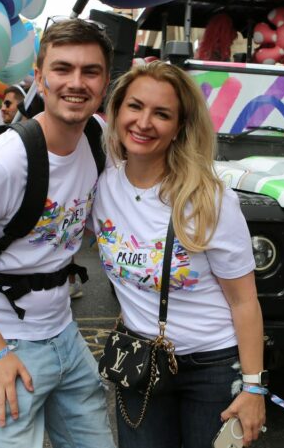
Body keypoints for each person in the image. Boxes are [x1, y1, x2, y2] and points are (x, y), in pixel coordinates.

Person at [0, 18, 114, 447]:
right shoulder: (5, 163)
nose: (76, 83)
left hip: (64, 333)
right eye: (63, 68)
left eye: (91, 71)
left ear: (105, 82)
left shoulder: (98, 138)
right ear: (40, 76)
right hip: (2, 341)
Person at [92, 60, 266, 448]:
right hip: (138, 359)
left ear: (179, 128)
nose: (144, 122)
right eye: (135, 107)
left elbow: (244, 301)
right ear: (117, 111)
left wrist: (253, 388)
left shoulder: (211, 199)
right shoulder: (103, 187)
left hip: (212, 367)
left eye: (162, 114)